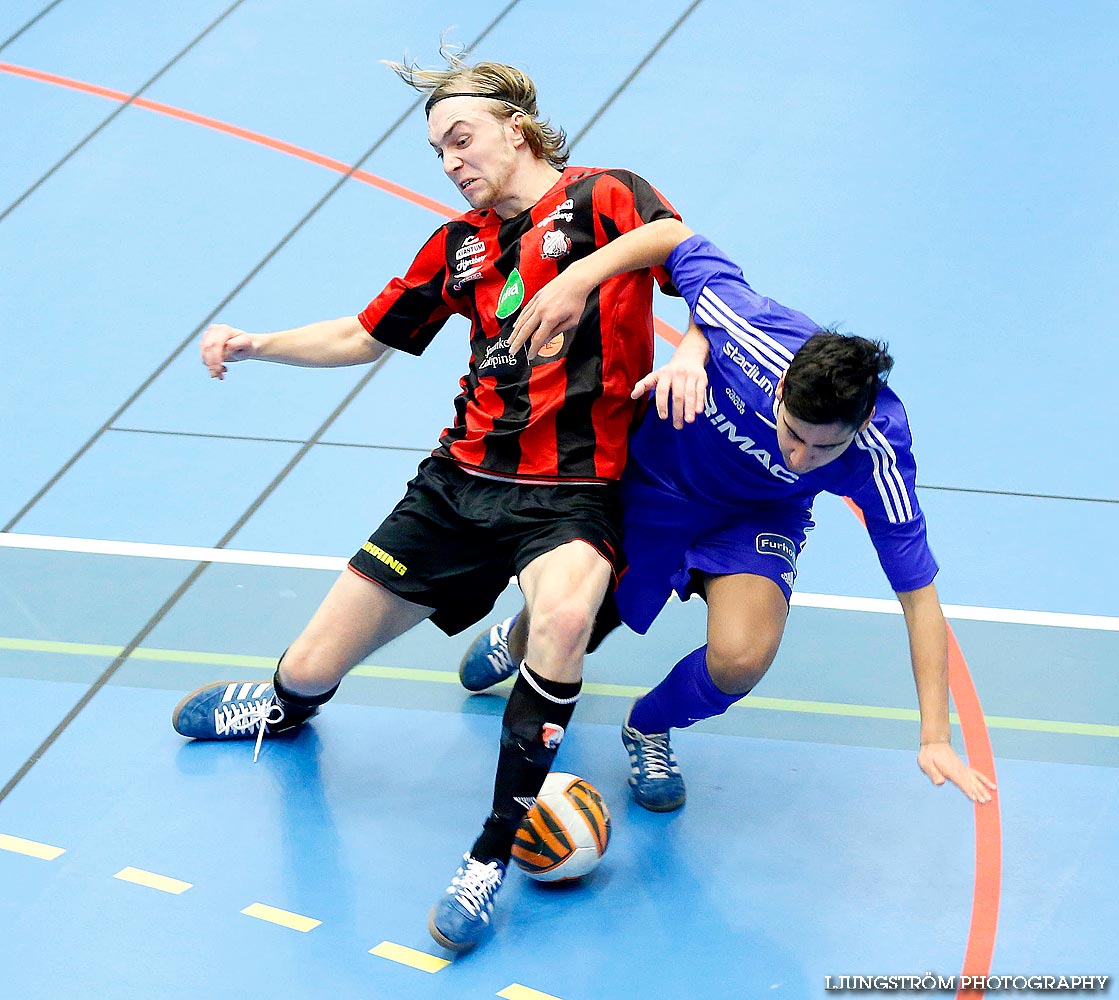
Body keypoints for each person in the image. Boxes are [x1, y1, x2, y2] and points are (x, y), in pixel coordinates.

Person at [170, 47, 682, 951]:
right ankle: (286, 705)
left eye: (461, 140)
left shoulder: (604, 197)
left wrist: (588, 284)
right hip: (458, 487)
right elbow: (363, 336)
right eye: (439, 151)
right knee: (312, 664)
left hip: (573, 492)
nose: (451, 161)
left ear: (514, 130)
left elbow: (678, 242)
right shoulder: (461, 245)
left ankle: (489, 855)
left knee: (563, 619)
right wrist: (255, 344)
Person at [458, 218, 997, 812]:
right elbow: (670, 238)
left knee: (741, 658)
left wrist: (935, 736)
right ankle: (518, 635)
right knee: (578, 624)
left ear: (861, 425)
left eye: (824, 450)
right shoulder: (752, 331)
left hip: (758, 515)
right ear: (784, 384)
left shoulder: (881, 457)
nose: (800, 456)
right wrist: (584, 279)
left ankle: (648, 726)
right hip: (657, 482)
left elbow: (919, 597)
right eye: (794, 434)